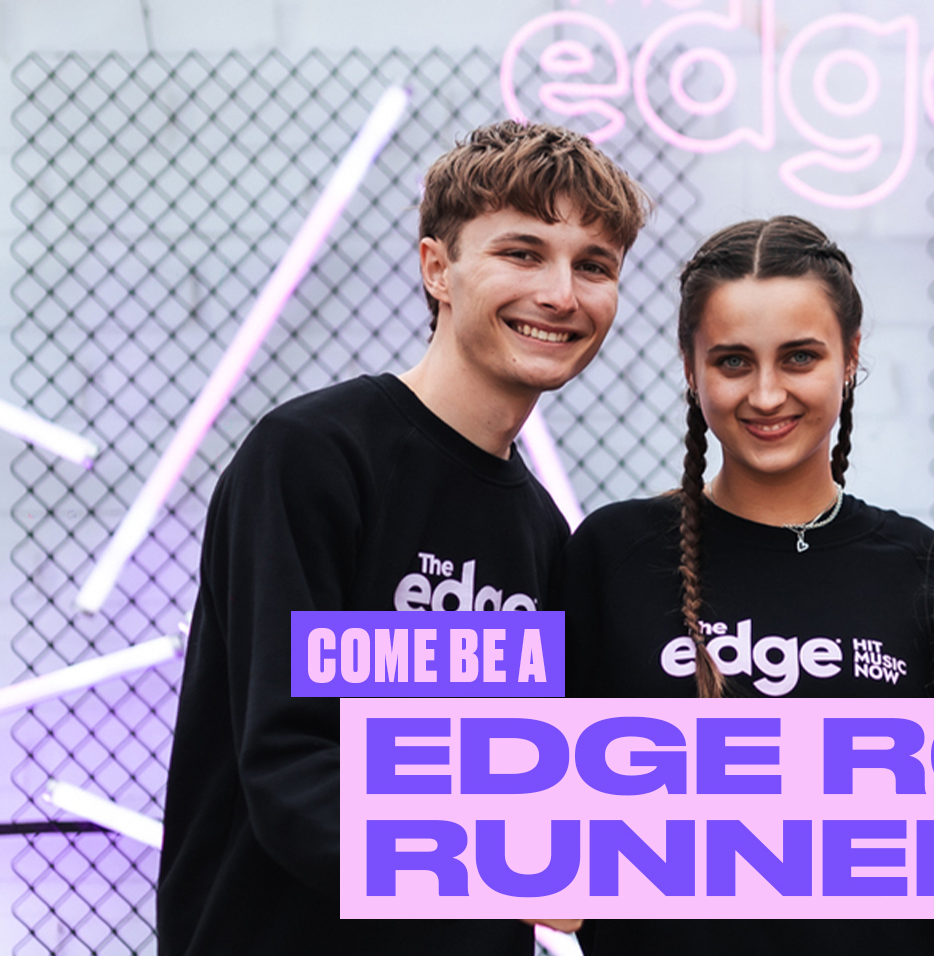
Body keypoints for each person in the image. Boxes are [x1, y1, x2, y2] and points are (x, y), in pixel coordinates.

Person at [157, 121, 649, 955]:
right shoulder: (315, 455)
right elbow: (291, 763)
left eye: (592, 265)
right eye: (522, 254)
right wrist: (505, 866)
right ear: (437, 270)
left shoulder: (539, 530)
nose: (562, 293)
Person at [557, 216, 934, 956]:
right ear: (689, 365)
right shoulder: (612, 554)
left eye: (799, 357)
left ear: (850, 357)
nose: (766, 395)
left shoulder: (924, 567)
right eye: (732, 362)